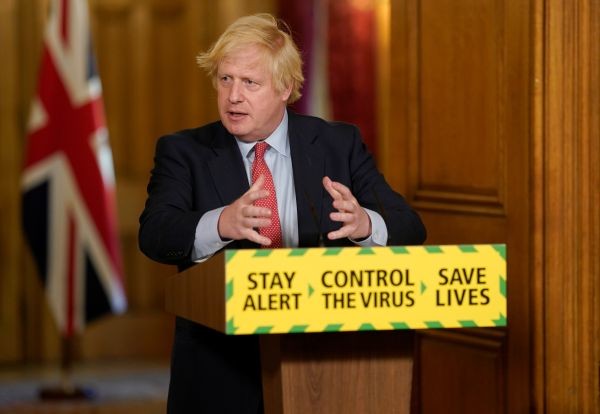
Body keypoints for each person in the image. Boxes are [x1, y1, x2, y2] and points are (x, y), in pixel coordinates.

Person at [139, 13, 426, 414]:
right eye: (225, 79)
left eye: (249, 83)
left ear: (286, 88)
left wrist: (365, 225)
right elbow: (155, 234)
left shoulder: (337, 144)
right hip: (218, 371)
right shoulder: (184, 151)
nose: (233, 96)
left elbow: (411, 227)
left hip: (325, 369)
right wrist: (222, 223)